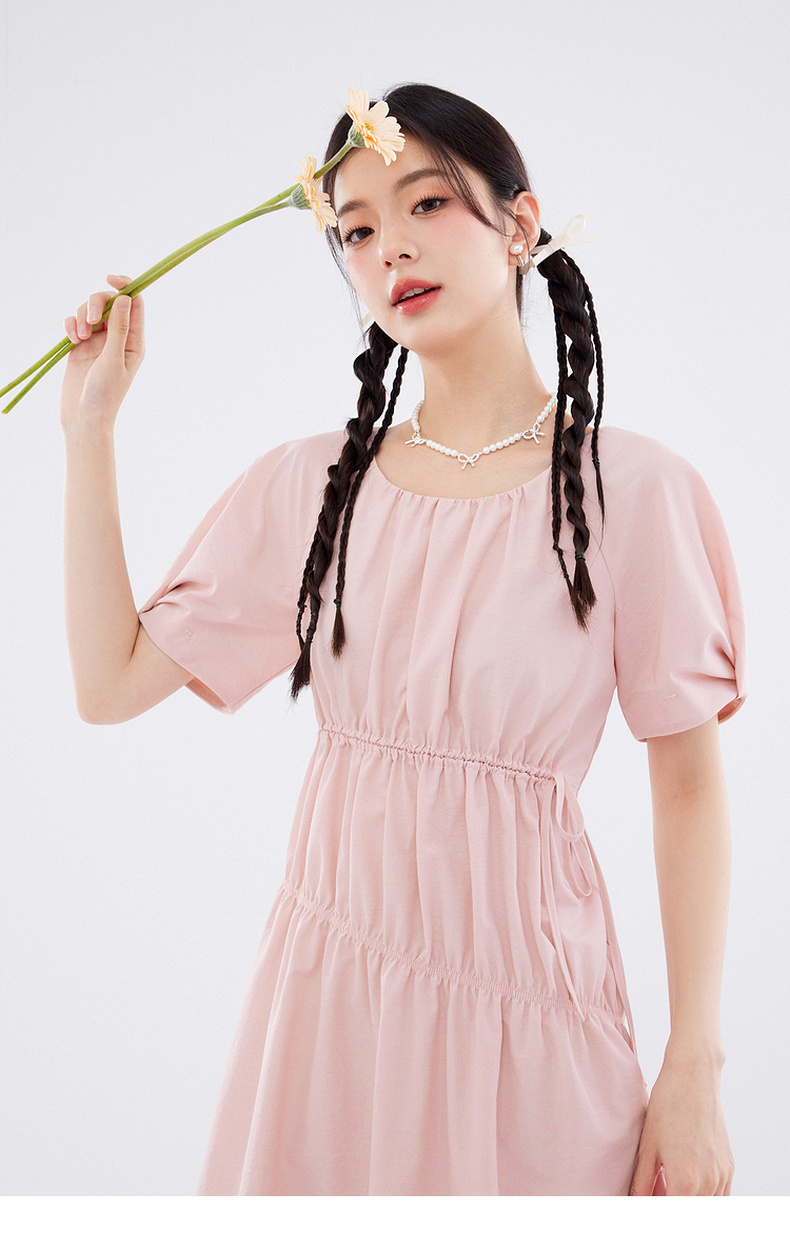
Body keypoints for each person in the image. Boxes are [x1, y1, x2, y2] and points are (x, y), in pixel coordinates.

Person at [59, 83, 746, 1196]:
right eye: (357, 230)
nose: (391, 250)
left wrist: (694, 1064)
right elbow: (110, 682)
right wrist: (90, 432)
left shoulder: (634, 492)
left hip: (531, 1031)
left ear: (520, 224)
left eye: (426, 204)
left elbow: (689, 788)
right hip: (330, 1018)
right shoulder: (315, 489)